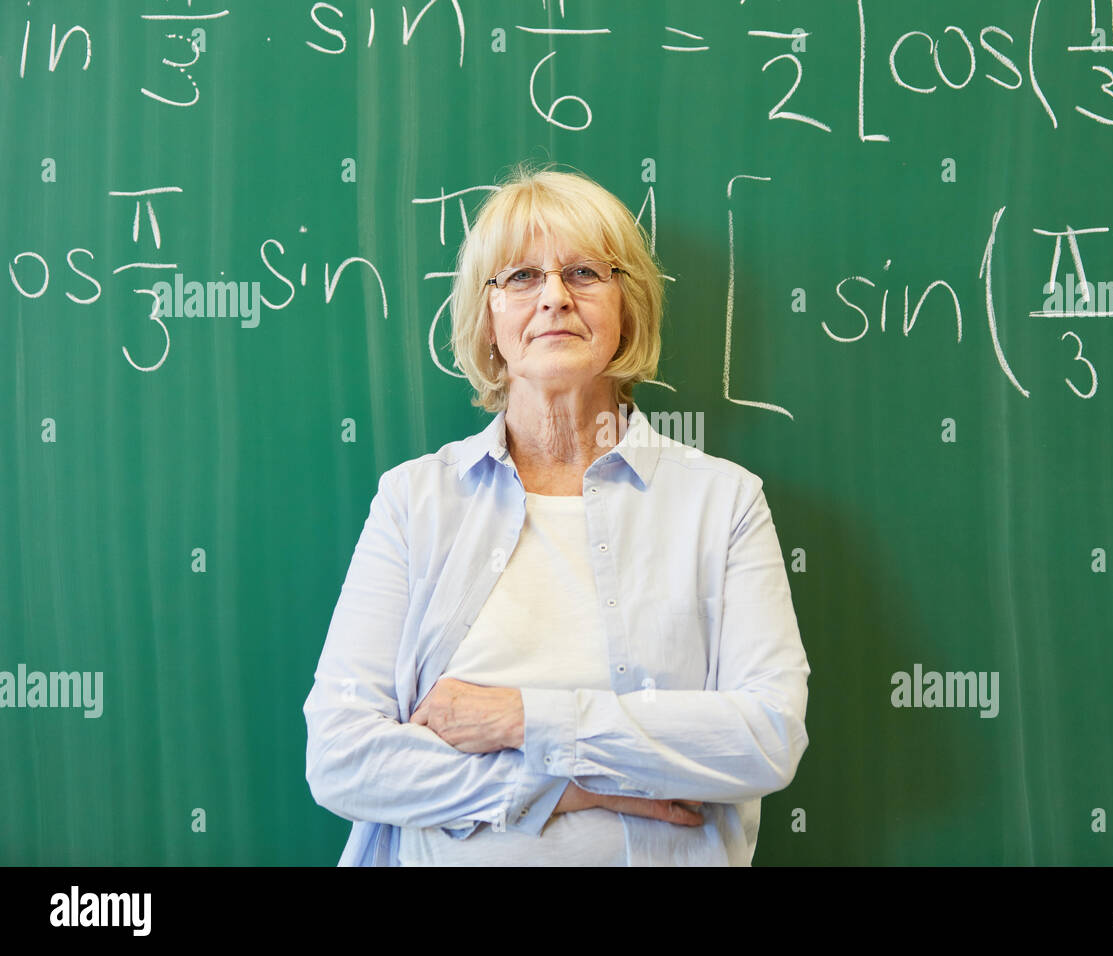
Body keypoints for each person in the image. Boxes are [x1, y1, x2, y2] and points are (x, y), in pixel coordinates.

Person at [303, 165, 810, 866]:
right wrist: (569, 785)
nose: (553, 299)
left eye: (583, 273)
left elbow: (765, 737)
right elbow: (341, 757)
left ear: (626, 306)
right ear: (487, 318)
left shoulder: (722, 504)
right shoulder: (414, 501)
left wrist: (522, 717)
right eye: (519, 277)